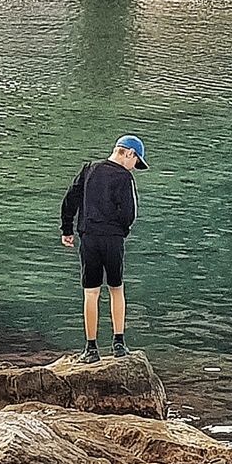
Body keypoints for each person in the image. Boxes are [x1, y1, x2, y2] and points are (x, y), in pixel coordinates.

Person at [60, 134, 146, 363]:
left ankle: (91, 349)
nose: (134, 167)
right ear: (128, 153)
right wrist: (122, 231)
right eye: (135, 162)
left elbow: (70, 199)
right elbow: (129, 214)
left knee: (91, 292)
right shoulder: (124, 177)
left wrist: (67, 229)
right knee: (116, 289)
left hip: (89, 238)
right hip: (113, 240)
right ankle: (119, 344)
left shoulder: (89, 170)